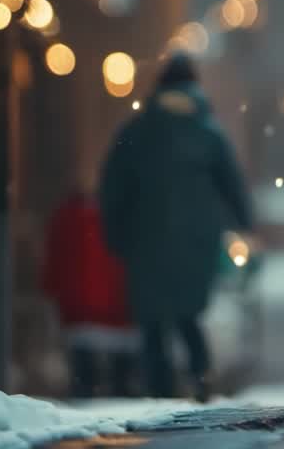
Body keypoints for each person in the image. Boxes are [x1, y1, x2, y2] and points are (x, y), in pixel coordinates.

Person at [98, 53, 253, 401]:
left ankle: (160, 392)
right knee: (188, 316)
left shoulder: (137, 131)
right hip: (196, 243)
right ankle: (201, 381)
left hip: (145, 241)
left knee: (152, 324)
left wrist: (117, 236)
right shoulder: (209, 133)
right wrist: (245, 224)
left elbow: (112, 187)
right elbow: (231, 183)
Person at [41, 191, 137, 397]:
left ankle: (87, 393)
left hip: (83, 312)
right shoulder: (130, 215)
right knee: (121, 383)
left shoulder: (70, 217)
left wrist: (51, 289)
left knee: (85, 379)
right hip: (120, 313)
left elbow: (56, 260)